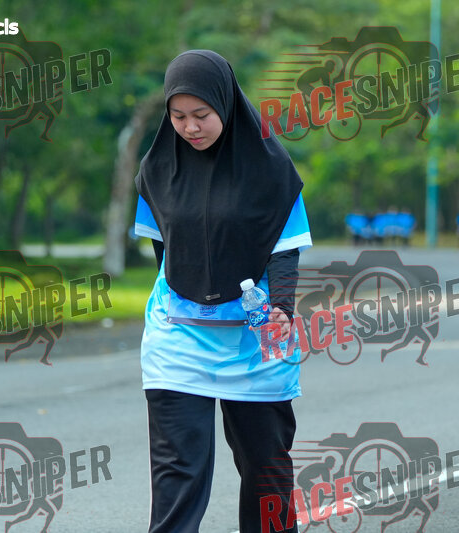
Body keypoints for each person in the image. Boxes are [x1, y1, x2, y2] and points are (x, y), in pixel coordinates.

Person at [133, 50, 312, 533]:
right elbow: (163, 248)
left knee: (265, 468)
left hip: (255, 339)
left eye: (201, 114)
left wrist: (282, 307)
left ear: (227, 105)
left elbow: (285, 248)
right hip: (178, 339)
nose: (190, 127)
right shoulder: (156, 169)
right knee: (178, 473)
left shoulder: (271, 167)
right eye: (178, 116)